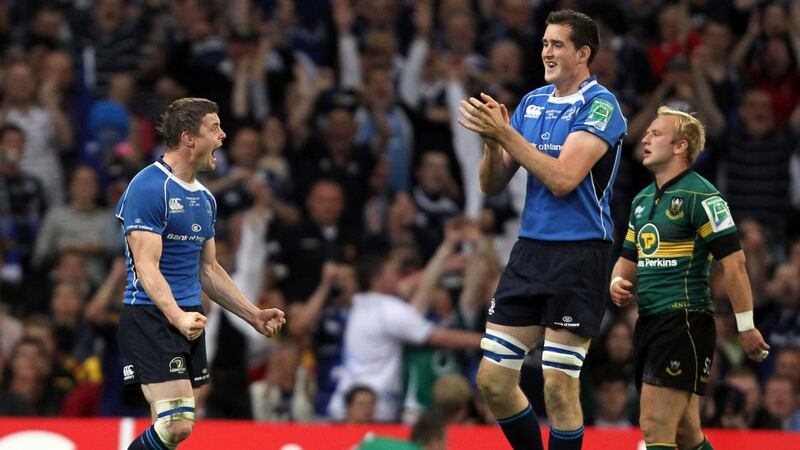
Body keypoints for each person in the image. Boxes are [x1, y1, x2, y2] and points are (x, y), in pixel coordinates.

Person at [457, 9, 627, 450]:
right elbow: (492, 184)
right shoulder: (532, 103)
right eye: (545, 43)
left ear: (583, 53)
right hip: (529, 251)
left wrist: (507, 134)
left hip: (580, 253)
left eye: (557, 45)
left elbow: (563, 178)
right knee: (493, 381)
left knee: (557, 385)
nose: (546, 52)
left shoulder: (601, 105)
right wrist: (494, 142)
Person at [114, 98, 285, 450]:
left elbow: (209, 270)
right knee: (177, 424)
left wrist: (253, 314)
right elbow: (146, 266)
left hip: (190, 316)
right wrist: (176, 315)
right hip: (153, 315)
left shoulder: (205, 199)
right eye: (214, 128)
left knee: (169, 430)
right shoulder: (149, 187)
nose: (223, 136)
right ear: (189, 138)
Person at [609, 106, 770, 450]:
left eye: (655, 133)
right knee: (685, 434)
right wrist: (616, 283)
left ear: (680, 146)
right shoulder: (642, 200)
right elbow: (627, 260)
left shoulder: (703, 196)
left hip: (683, 320)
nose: (645, 138)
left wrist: (746, 325)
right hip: (649, 322)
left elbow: (735, 264)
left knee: (654, 426)